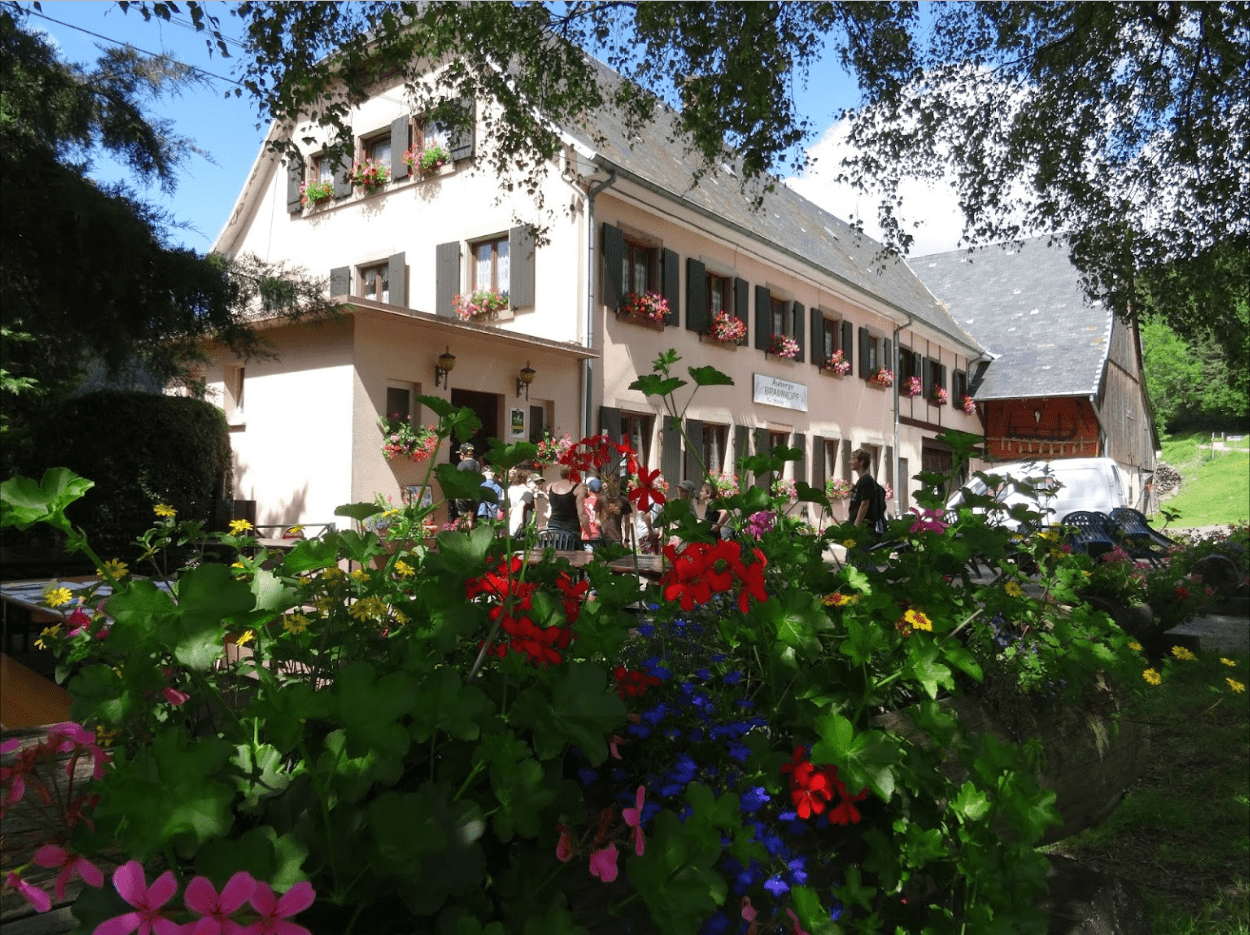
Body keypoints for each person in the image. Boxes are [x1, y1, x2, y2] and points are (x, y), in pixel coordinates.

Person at [846, 449, 885, 534]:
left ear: (861, 461)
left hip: (863, 529)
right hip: (860, 526)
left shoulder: (866, 480)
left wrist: (856, 526)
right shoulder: (862, 481)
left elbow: (864, 505)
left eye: (853, 459)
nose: (850, 462)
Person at [546, 464, 589, 541]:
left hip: (553, 528)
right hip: (571, 531)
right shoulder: (578, 489)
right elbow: (581, 514)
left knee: (554, 551)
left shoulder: (551, 486)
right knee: (572, 552)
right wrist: (590, 533)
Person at [453, 442, 482, 528]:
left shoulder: (461, 465)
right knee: (470, 518)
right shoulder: (477, 464)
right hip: (473, 494)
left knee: (463, 518)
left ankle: (464, 536)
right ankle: (470, 535)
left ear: (463, 454)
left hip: (463, 493)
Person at [506, 468, 535, 537]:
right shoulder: (527, 491)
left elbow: (504, 504)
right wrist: (521, 523)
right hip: (523, 518)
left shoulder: (511, 489)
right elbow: (521, 506)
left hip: (513, 516)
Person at [582, 476, 603, 548]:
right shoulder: (602, 502)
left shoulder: (584, 502)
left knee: (588, 557)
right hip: (599, 535)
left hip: (587, 535)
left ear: (589, 491)